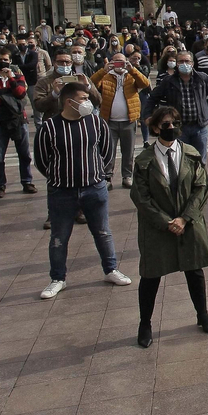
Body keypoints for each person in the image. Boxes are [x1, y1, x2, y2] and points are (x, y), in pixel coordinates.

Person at [34, 83, 131, 299]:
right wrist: (58, 177)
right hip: (62, 192)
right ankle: (57, 278)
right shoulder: (49, 128)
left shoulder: (96, 123)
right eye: (83, 98)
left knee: (103, 232)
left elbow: (107, 152)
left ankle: (111, 269)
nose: (87, 102)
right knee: (59, 237)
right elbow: (42, 160)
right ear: (69, 102)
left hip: (94, 188)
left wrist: (100, 176)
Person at [131, 105, 208, 348]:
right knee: (150, 276)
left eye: (175, 123)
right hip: (157, 227)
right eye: (166, 124)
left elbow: (201, 187)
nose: (171, 127)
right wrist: (165, 221)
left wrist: (185, 218)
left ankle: (202, 314)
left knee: (194, 270)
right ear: (156, 128)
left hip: (188, 224)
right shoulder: (144, 160)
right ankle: (145, 324)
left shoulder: (190, 153)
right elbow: (141, 197)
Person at [0, 48, 37, 198]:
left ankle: (27, 181)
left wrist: (11, 79)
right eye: (0, 60)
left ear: (10, 61)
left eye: (5, 60)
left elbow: (21, 93)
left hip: (19, 120)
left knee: (24, 154)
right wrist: (13, 101)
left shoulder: (18, 76)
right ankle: (0, 185)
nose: (3, 62)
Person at [92, 52, 151, 188]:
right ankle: (107, 177)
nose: (119, 64)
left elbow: (145, 83)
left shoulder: (131, 75)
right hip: (109, 121)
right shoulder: (106, 75)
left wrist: (132, 69)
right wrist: (103, 70)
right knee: (109, 151)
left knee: (128, 151)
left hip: (129, 121)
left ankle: (127, 176)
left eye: (121, 61)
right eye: (116, 61)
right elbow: (91, 83)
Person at [145, 50, 208, 158]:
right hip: (179, 127)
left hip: (199, 127)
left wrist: (204, 110)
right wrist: (147, 115)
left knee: (200, 158)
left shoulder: (202, 78)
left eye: (187, 61)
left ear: (192, 63)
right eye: (181, 61)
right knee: (180, 158)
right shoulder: (168, 81)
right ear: (177, 63)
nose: (184, 64)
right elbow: (153, 98)